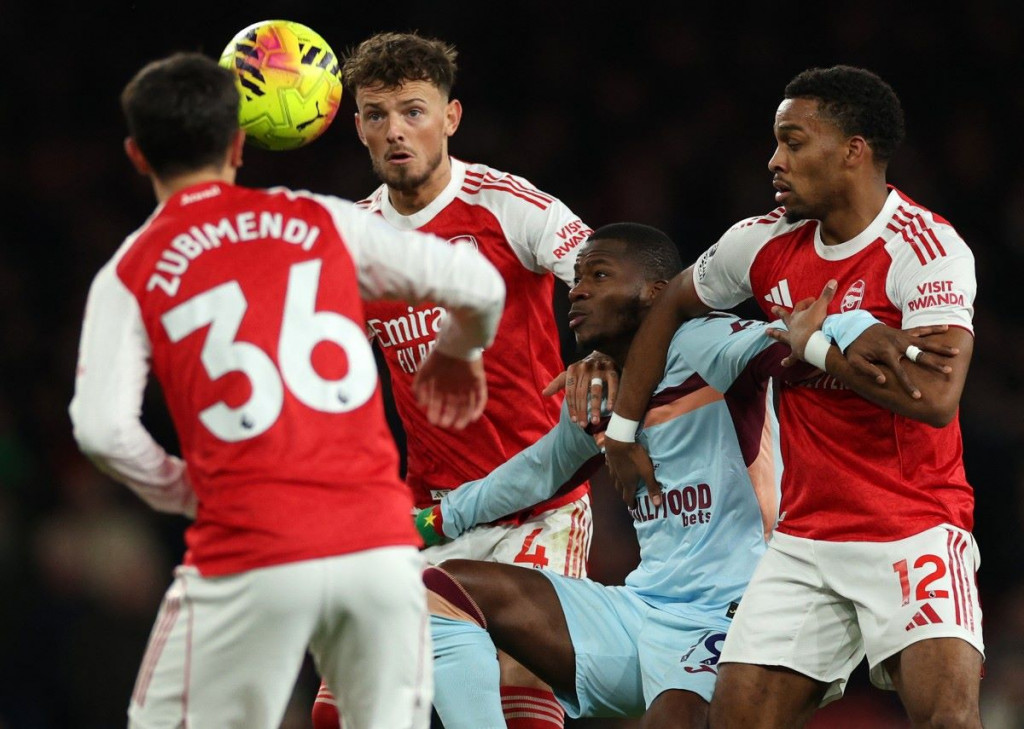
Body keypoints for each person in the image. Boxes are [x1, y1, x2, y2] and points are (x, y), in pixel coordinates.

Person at [68, 52, 506, 729]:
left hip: (248, 550)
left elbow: (101, 430)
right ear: (239, 144)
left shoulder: (129, 269)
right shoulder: (322, 219)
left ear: (136, 154)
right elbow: (479, 286)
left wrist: (185, 487)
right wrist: (457, 349)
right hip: (379, 549)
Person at [602, 65, 983, 728]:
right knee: (736, 718)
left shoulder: (925, 249)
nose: (774, 160)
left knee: (948, 718)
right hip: (805, 538)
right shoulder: (764, 241)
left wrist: (815, 349)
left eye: (794, 142)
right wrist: (622, 427)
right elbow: (670, 306)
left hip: (912, 526)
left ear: (852, 151)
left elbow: (935, 396)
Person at [412, 222, 887, 728]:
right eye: (576, 277)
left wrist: (850, 333)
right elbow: (537, 471)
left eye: (598, 274)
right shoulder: (601, 390)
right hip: (644, 611)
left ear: (657, 295)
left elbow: (790, 337)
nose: (577, 290)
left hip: (739, 615)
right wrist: (431, 522)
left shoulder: (705, 347)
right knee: (439, 591)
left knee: (674, 719)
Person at [312, 31, 601, 729]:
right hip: (428, 508)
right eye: (376, 115)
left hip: (539, 503)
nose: (395, 131)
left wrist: (605, 352)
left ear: (452, 117)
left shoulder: (509, 205)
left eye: (413, 111)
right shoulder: (352, 239)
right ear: (357, 127)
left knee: (514, 676)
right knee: (340, 700)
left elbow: (609, 271)